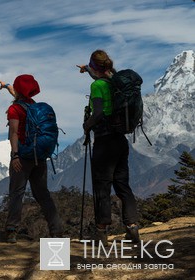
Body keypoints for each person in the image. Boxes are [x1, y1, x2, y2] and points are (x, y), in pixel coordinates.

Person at [78, 50, 140, 245]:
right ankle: (132, 228)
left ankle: (101, 233)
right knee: (122, 185)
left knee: (102, 187)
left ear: (95, 67)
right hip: (120, 141)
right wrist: (87, 69)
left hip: (104, 142)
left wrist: (87, 125)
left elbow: (97, 113)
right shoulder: (115, 81)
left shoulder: (97, 85)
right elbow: (100, 72)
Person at [0, 74, 63, 243]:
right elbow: (18, 95)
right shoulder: (35, 107)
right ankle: (56, 230)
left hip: (23, 157)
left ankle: (12, 230)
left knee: (17, 193)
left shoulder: (15, 109)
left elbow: (14, 133)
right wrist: (7, 87)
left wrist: (15, 155)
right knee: (43, 195)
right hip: (39, 158)